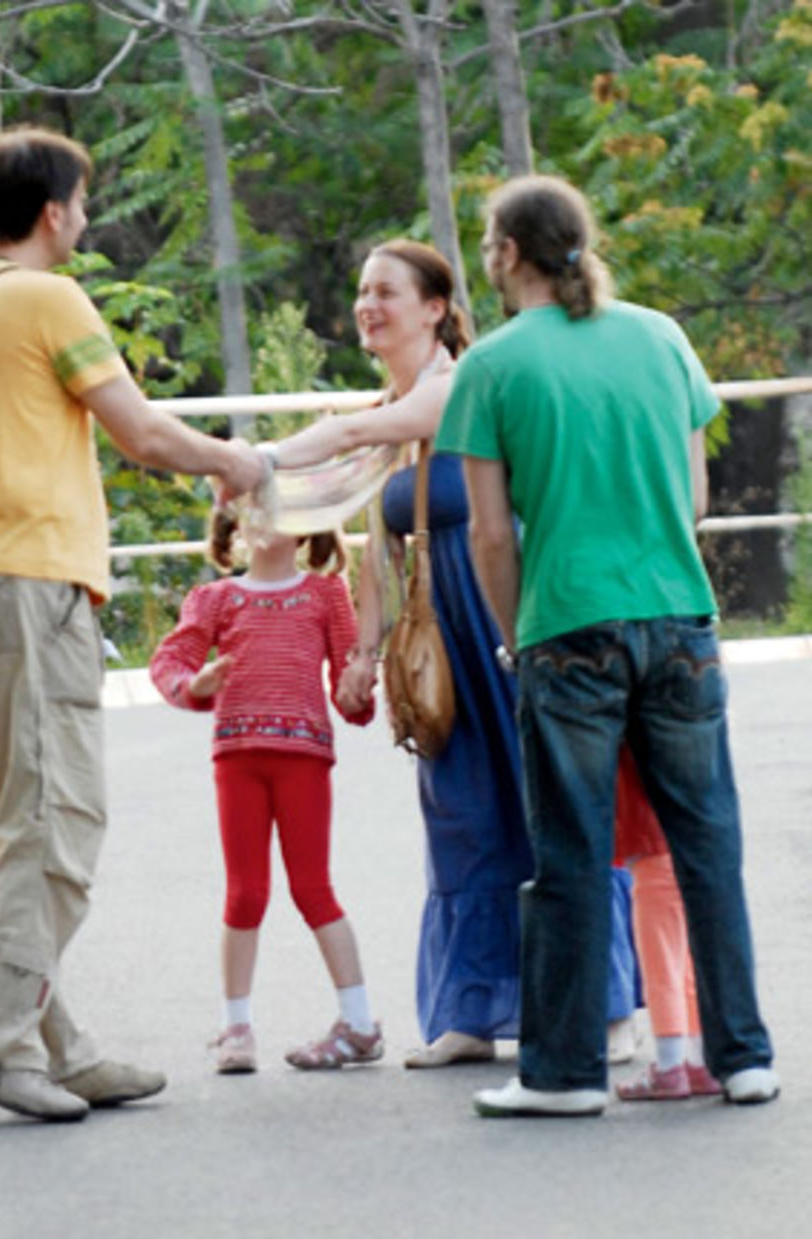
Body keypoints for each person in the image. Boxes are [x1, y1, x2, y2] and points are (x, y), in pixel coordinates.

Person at [0, 126, 264, 1123]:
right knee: (57, 820)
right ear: (54, 211)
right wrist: (234, 463)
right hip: (24, 588)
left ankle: (57, 1042)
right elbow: (138, 433)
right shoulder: (45, 296)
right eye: (83, 204)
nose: (85, 220)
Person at [435, 173, 777, 1117]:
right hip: (678, 615)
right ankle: (743, 1056)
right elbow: (695, 498)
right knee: (708, 846)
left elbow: (491, 535)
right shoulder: (661, 337)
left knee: (572, 855)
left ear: (505, 254)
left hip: (565, 626)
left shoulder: (492, 367)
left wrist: (515, 640)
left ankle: (565, 1072)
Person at [263, 239, 638, 1068]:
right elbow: (376, 548)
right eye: (362, 290)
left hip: (508, 616)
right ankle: (472, 1009)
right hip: (441, 638)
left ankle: (606, 1007)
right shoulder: (389, 410)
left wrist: (257, 459)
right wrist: (361, 653)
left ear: (435, 308)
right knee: (464, 818)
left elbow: (363, 434)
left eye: (386, 291)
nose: (368, 305)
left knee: (550, 807)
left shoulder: (461, 384)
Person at [150, 510, 381, 1073]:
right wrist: (195, 685)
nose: (262, 519)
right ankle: (236, 1028)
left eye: (278, 509)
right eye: (253, 508)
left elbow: (351, 693)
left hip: (304, 761)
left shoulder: (326, 594)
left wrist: (358, 689)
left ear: (305, 527)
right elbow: (169, 662)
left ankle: (360, 1021)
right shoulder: (215, 598)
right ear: (234, 526)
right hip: (237, 759)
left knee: (313, 889)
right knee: (245, 894)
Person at [614, 751, 721, 1101]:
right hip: (686, 842)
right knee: (686, 962)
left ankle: (670, 1064)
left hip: (650, 849)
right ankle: (697, 1059)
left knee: (660, 964)